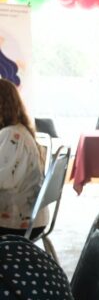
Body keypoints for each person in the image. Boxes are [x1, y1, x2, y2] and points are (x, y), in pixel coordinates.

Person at [0, 78, 47, 238]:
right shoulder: (17, 131)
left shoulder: (11, 135)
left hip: (14, 221)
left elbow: (3, 181)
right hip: (27, 217)